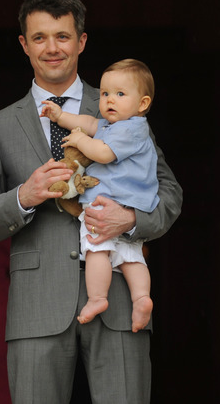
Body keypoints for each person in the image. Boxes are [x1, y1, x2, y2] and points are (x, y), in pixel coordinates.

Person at [0, 0, 183, 403]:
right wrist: (24, 197)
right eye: (40, 37)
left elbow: (169, 192)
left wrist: (131, 220)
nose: (52, 48)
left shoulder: (119, 109)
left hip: (119, 300)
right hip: (37, 305)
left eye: (63, 36)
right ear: (23, 44)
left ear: (81, 41)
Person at [41, 58, 158, 333]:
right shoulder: (113, 125)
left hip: (107, 204)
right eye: (105, 94)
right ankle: (142, 298)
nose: (109, 100)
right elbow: (87, 122)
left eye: (119, 94)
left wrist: (80, 140)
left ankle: (97, 298)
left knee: (96, 250)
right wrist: (61, 117)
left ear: (142, 104)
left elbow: (103, 152)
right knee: (131, 256)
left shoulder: (131, 129)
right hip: (131, 203)